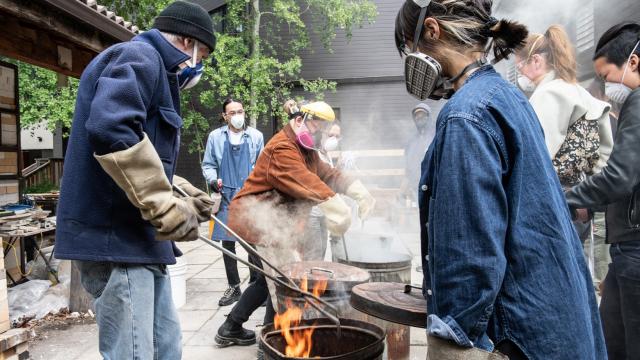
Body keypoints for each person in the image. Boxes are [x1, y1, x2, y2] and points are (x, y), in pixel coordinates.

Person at [395, 1, 605, 359]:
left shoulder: (465, 116)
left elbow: (469, 255)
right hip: (558, 328)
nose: (410, 58)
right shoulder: (508, 98)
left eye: (409, 46)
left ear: (432, 30)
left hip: (519, 339)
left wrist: (452, 341)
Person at [53, 2, 215, 359]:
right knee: (135, 354)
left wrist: (177, 190)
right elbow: (111, 127)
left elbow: (138, 150)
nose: (198, 63)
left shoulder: (154, 68)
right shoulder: (138, 56)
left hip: (140, 243)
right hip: (116, 242)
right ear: (187, 41)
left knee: (165, 349)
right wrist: (160, 200)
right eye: (201, 53)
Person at [215, 99, 375, 348]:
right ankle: (270, 344)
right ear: (299, 120)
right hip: (259, 222)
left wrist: (357, 190)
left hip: (278, 223)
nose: (320, 134)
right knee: (282, 282)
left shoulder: (306, 150)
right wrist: (335, 206)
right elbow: (305, 182)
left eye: (323, 129)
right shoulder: (282, 148)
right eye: (317, 128)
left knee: (270, 280)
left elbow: (327, 174)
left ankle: (231, 327)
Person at [565, 22, 640, 360]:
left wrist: (566, 197)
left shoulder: (638, 104)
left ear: (633, 63)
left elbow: (620, 177)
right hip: (628, 248)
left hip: (635, 248)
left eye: (607, 75)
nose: (606, 85)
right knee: (610, 335)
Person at [202, 98, 264, 306]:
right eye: (232, 113)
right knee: (228, 244)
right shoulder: (215, 137)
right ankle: (234, 287)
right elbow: (209, 164)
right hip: (226, 193)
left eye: (240, 111)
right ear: (225, 116)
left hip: (249, 194)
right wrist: (212, 179)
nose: (238, 116)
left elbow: (261, 165)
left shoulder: (255, 136)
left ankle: (257, 286)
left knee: (252, 242)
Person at [304, 122, 342, 261]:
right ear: (323, 133)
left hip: (324, 212)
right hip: (312, 212)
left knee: (322, 252)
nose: (333, 139)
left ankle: (319, 282)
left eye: (337, 137)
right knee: (314, 254)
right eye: (331, 135)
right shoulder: (314, 153)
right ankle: (309, 282)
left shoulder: (328, 155)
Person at [401, 103, 436, 204]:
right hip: (416, 186)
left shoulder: (436, 135)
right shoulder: (412, 141)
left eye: (423, 115)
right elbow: (408, 168)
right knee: (418, 213)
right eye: (416, 115)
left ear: (429, 117)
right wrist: (403, 189)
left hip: (433, 185)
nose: (419, 117)